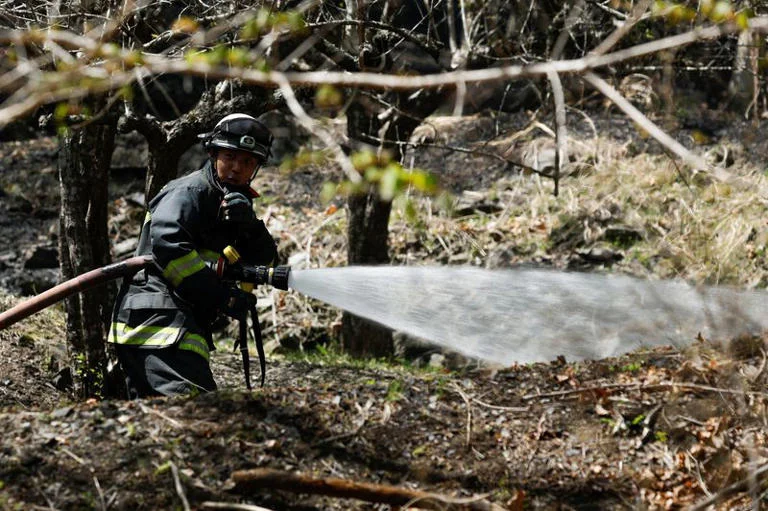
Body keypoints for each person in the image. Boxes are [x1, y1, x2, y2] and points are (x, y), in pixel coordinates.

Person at [109, 113, 278, 398]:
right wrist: (222, 297)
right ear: (213, 153)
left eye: (248, 161)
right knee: (195, 411)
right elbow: (170, 249)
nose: (237, 167)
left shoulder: (232, 205)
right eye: (230, 156)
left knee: (163, 423)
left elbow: (265, 264)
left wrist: (250, 226)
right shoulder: (189, 191)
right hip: (157, 322)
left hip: (176, 325)